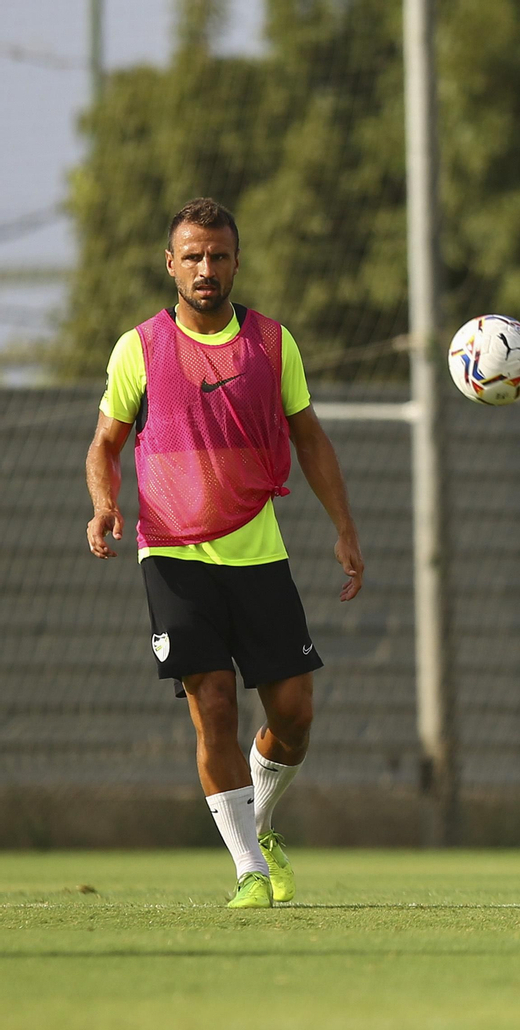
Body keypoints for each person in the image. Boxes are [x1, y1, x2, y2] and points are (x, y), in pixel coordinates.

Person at [85, 198, 364, 909]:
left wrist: (344, 528)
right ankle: (248, 870)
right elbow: (106, 445)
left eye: (218, 255)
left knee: (295, 715)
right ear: (170, 263)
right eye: (193, 256)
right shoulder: (138, 348)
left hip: (258, 556)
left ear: (236, 261)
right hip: (173, 555)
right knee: (213, 705)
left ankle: (260, 823)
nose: (206, 268)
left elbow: (310, 439)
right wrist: (105, 502)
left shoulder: (273, 343)